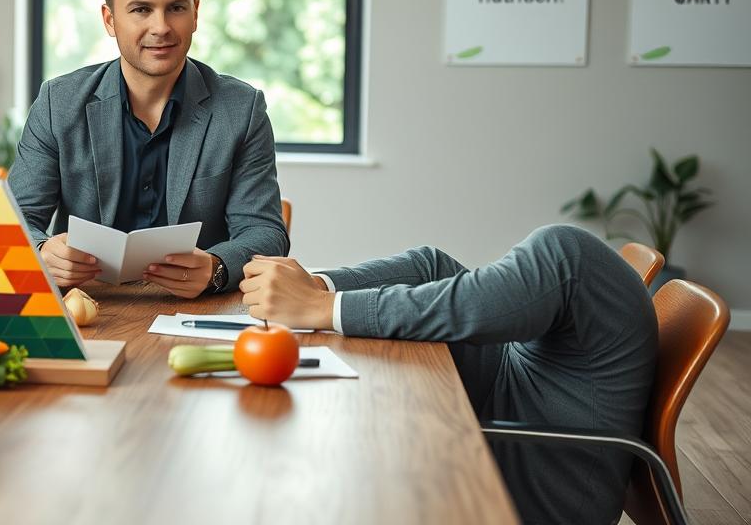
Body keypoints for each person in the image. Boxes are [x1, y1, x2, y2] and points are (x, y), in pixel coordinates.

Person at [240, 224, 658, 525]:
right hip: (514, 421)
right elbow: (431, 269)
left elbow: (478, 305)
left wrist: (320, 310)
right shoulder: (576, 259)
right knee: (432, 266)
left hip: (539, 492)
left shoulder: (572, 257)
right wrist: (316, 288)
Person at [9, 0, 288, 298]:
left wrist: (217, 268)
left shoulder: (242, 109)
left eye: (176, 7)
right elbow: (9, 226)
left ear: (196, 13)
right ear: (110, 20)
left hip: (196, 313)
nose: (161, 28)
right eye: (141, 9)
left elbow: (265, 232)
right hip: (90, 310)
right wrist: (44, 252)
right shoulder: (57, 103)